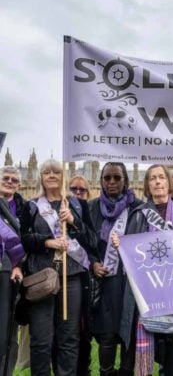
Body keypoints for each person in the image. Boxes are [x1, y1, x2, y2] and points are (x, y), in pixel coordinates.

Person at [119, 164, 173, 376]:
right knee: (152, 350)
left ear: (168, 183)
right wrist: (121, 245)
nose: (157, 181)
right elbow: (129, 256)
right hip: (148, 295)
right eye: (152, 178)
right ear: (147, 185)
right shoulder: (138, 215)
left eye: (161, 177)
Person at [20, 159, 97, 376]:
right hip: (43, 278)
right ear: (41, 177)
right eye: (47, 172)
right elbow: (24, 238)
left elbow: (92, 240)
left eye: (56, 171)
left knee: (69, 338)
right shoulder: (32, 206)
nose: (52, 175)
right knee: (42, 339)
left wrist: (74, 221)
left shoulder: (77, 205)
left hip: (71, 277)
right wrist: (47, 241)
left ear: (63, 175)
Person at [88, 162, 142, 376]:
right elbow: (85, 242)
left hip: (129, 282)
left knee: (127, 331)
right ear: (101, 180)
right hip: (104, 281)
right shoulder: (91, 207)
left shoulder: (138, 208)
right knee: (107, 335)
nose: (111, 182)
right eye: (107, 177)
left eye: (117, 178)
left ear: (126, 181)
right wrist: (93, 262)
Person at [0, 166, 26, 375]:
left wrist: (18, 265)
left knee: (7, 331)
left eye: (14, 180)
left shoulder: (23, 208)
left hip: (10, 275)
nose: (9, 182)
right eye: (5, 178)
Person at [69, 175, 93, 376]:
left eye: (82, 190)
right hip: (65, 282)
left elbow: (93, 242)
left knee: (85, 332)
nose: (77, 194)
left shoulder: (88, 211)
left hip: (87, 282)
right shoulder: (56, 212)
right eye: (73, 189)